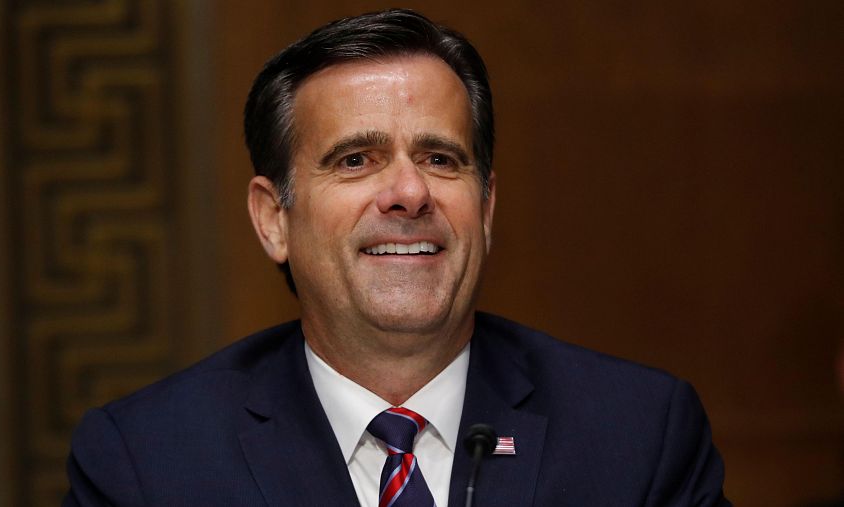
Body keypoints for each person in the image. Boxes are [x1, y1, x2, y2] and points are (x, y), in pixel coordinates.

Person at [63, 9, 730, 506]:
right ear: (274, 219)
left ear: (486, 206)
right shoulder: (146, 463)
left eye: (441, 159)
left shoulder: (639, 435)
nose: (410, 192)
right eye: (357, 159)